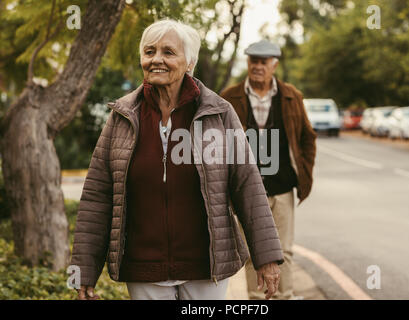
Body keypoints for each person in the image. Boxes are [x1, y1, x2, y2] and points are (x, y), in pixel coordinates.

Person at [70, 20, 284, 300]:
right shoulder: (123, 116)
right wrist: (84, 269)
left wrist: (266, 257)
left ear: (189, 62)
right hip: (144, 267)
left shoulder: (218, 113)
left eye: (168, 52)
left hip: (206, 267)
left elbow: (247, 185)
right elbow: (98, 197)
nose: (156, 59)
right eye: (149, 52)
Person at [221, 39, 317, 300]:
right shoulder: (229, 97)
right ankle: (257, 300)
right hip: (245, 189)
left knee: (283, 251)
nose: (258, 66)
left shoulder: (291, 96)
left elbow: (308, 137)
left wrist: (304, 171)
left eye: (263, 62)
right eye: (253, 61)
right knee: (253, 251)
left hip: (282, 187)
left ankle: (283, 296)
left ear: (274, 65)